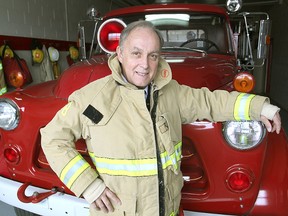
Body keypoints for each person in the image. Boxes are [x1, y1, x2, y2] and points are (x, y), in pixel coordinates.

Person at [41, 20, 281, 216]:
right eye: (136, 53)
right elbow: (52, 138)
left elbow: (210, 101)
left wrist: (259, 107)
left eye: (153, 55)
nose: (144, 65)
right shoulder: (92, 98)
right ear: (120, 54)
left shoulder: (171, 92)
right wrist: (89, 186)